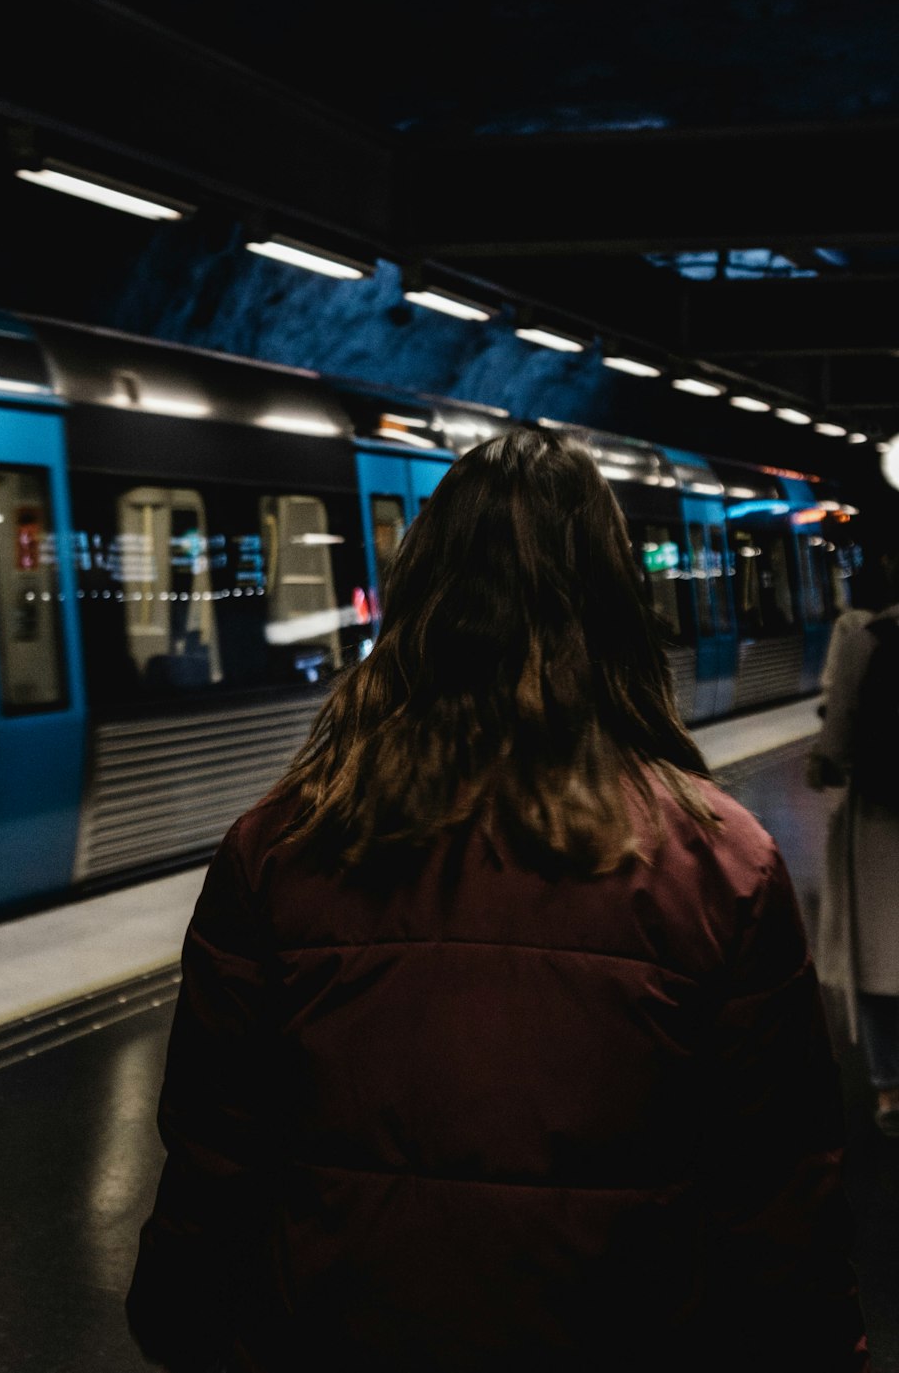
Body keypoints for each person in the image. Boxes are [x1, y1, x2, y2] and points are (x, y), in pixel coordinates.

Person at [127, 430, 869, 1373]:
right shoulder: (724, 866)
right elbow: (779, 1200)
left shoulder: (278, 850)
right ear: (614, 607)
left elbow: (216, 1158)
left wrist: (183, 1321)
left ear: (418, 597)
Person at [810, 546, 899, 1138]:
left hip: (879, 827)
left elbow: (833, 751)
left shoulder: (864, 636)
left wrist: (825, 760)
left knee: (880, 963)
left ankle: (890, 1092)